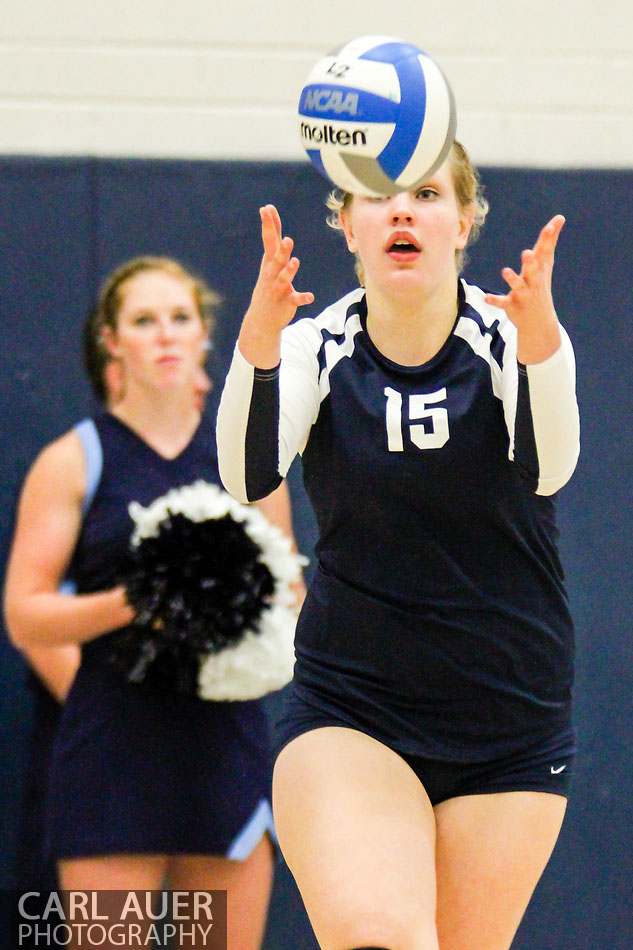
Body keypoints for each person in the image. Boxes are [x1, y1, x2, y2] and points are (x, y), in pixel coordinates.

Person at [215, 140, 581, 950]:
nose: (403, 209)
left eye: (427, 195)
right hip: (354, 710)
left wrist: (541, 349)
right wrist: (259, 345)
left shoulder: (506, 337)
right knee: (380, 935)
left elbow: (550, 467)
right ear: (347, 225)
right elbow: (246, 476)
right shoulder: (316, 344)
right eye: (378, 196)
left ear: (463, 224)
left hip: (507, 723)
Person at [4, 256, 303, 950]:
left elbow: (291, 596)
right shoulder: (74, 460)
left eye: (180, 318)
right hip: (112, 746)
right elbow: (26, 611)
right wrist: (139, 601)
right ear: (113, 342)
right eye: (143, 321)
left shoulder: (247, 460)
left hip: (226, 744)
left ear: (204, 335)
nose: (165, 335)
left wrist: (251, 605)